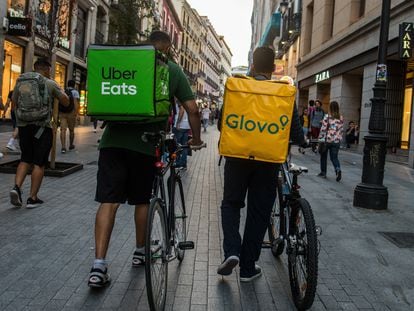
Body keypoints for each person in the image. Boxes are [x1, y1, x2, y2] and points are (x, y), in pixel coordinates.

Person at [88, 31, 204, 288]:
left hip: (112, 142)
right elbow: (193, 109)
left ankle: (99, 266)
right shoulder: (172, 69)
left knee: (109, 202)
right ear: (169, 47)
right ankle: (141, 251)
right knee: (142, 201)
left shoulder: (126, 61)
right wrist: (195, 140)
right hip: (145, 143)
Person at [217, 47, 306, 282]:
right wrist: (303, 140)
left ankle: (232, 251)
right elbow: (295, 132)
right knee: (259, 212)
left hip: (236, 158)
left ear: (253, 66)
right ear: (273, 70)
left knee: (231, 204)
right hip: (268, 162)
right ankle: (248, 268)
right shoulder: (283, 93)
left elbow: (222, 124)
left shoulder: (237, 87)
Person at [9, 58, 69, 209]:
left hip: (24, 126)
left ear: (34, 68)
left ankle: (16, 187)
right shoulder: (49, 83)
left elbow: (14, 102)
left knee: (25, 159)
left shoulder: (22, 80)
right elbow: (66, 102)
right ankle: (32, 198)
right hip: (42, 127)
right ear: (47, 69)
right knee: (39, 163)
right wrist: (60, 90)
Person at [317, 101, 344, 181]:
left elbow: (323, 129)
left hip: (327, 140)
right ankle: (338, 169)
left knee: (323, 156)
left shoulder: (327, 116)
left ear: (330, 107)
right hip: (336, 141)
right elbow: (341, 130)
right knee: (334, 157)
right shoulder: (341, 117)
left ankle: (323, 173)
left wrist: (320, 139)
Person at [59, 80, 79, 153]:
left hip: (62, 113)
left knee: (63, 130)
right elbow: (76, 104)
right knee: (71, 130)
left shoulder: (63, 91)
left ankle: (63, 147)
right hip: (71, 113)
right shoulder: (75, 92)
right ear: (74, 85)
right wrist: (77, 114)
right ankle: (71, 145)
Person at [173, 102, 191, 169]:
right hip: (186, 126)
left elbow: (182, 110)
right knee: (184, 146)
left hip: (180, 126)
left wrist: (178, 122)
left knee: (177, 145)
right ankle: (183, 164)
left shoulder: (179, 98)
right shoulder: (187, 100)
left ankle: (178, 163)